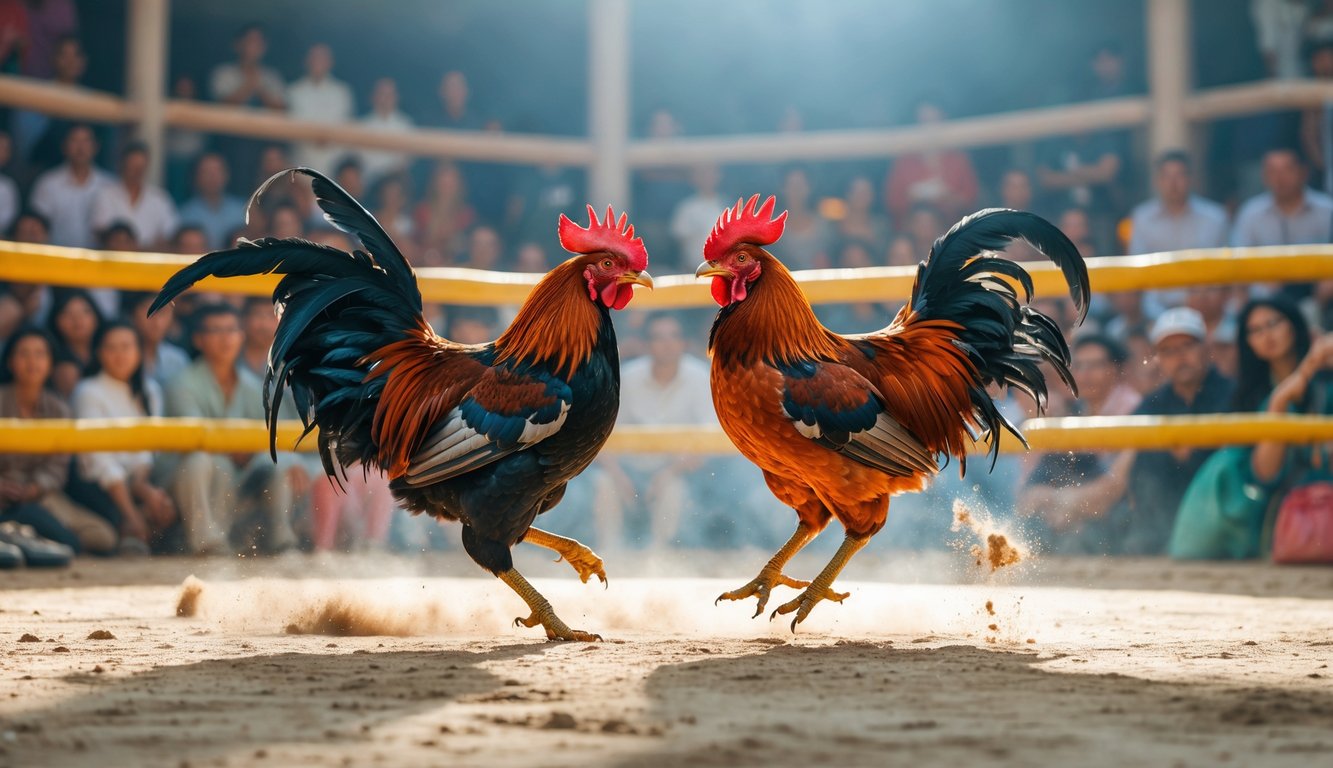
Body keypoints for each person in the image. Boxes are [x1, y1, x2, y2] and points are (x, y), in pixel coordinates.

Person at [1171, 298, 1314, 559]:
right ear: (1248, 342)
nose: (1266, 335)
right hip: (1274, 506)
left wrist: (1313, 367)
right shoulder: (1248, 396)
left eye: (1273, 324)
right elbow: (1265, 475)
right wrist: (1280, 402)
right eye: (1255, 330)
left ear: (1293, 325)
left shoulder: (1324, 380)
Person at [164, 304, 305, 555]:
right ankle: (207, 544)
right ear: (198, 339)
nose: (226, 338)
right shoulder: (182, 383)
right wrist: (239, 447)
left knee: (280, 461)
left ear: (241, 336)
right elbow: (196, 437)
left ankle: (281, 541)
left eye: (231, 330)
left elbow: (269, 433)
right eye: (216, 331)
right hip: (187, 480)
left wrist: (256, 451)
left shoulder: (251, 385)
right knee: (202, 461)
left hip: (238, 473)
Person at [592, 314, 716, 550]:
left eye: (674, 336)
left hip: (677, 471)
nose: (667, 344)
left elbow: (710, 440)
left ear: (684, 343)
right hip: (626, 469)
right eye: (658, 338)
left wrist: (668, 473)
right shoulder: (627, 377)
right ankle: (608, 555)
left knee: (675, 490)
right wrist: (619, 476)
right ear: (647, 345)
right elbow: (599, 435)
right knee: (602, 483)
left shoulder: (700, 377)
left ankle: (660, 556)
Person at [1122, 308, 1235, 555]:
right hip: (1159, 527)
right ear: (1158, 359)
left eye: (1187, 346)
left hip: (1221, 515)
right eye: (1168, 351)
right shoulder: (1152, 404)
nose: (1179, 357)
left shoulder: (1234, 395)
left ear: (1206, 349)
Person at [1017, 335, 1142, 554]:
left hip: (1123, 516)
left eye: (1095, 366)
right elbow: (1032, 489)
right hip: (1075, 511)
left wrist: (1059, 501)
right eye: (1079, 366)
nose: (1085, 374)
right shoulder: (1074, 411)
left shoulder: (1134, 411)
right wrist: (1049, 501)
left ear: (1115, 370)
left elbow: (1114, 488)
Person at [0, 326, 116, 555]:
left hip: (41, 496)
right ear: (10, 362)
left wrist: (35, 488)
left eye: (40, 354)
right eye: (23, 354)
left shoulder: (59, 409)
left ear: (51, 363)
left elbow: (57, 466)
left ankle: (21, 538)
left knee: (103, 537)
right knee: (64, 541)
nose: (32, 361)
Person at [69, 321, 176, 555]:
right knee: (112, 530)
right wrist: (131, 512)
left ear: (139, 351)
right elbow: (99, 461)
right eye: (111, 348)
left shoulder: (150, 390)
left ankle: (138, 530)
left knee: (165, 503)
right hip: (98, 486)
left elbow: (148, 448)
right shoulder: (88, 390)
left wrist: (142, 486)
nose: (120, 355)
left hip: (135, 480)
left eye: (127, 347)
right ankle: (131, 528)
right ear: (98, 353)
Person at [1231, 148, 1333, 301]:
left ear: (1303, 172)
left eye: (1287, 170)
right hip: (1266, 300)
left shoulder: (1327, 210)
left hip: (1320, 299)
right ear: (1264, 176)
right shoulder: (1251, 213)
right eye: (1272, 171)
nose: (1280, 178)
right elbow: (1237, 266)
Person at [885, 99, 979, 226]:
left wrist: (948, 197)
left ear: (943, 121)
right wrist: (913, 196)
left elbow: (971, 200)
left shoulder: (957, 159)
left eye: (933, 121)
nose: (929, 128)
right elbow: (893, 202)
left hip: (953, 234)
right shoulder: (905, 161)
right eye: (924, 122)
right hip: (912, 237)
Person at [30, 123, 112, 249]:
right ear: (64, 146)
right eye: (74, 141)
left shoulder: (108, 185)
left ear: (96, 147)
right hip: (55, 259)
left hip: (97, 263)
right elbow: (36, 229)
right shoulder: (48, 183)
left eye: (86, 141)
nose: (81, 147)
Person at [90, 142, 178, 251]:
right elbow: (100, 233)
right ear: (122, 165)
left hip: (148, 265)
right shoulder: (105, 195)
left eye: (140, 167)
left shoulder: (160, 198)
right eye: (132, 166)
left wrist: (136, 248)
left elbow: (170, 237)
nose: (137, 172)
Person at [286, 43, 354, 173]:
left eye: (322, 58)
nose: (318, 62)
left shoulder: (342, 92)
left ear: (330, 62)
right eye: (314, 58)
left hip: (335, 166)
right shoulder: (293, 91)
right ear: (306, 61)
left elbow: (347, 128)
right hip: (301, 164)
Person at [122, 291, 189, 391]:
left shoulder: (177, 359)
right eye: (149, 312)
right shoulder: (121, 356)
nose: (157, 322)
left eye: (164, 313)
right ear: (133, 316)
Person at [177, 152, 246, 250]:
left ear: (227, 175)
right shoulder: (185, 214)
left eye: (217, 171)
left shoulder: (242, 210)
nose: (212, 177)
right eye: (206, 172)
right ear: (196, 177)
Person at [210, 24, 284, 110]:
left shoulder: (272, 76)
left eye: (259, 42)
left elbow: (281, 109)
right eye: (250, 40)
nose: (254, 46)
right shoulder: (223, 73)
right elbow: (221, 105)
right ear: (237, 44)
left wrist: (261, 90)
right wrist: (249, 85)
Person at [45, 288, 101, 401]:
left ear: (96, 316)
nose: (77, 320)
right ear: (56, 320)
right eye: (67, 313)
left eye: (85, 311)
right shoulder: (62, 368)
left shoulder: (107, 352)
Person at [357, 77, 414, 187]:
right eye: (382, 93)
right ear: (373, 96)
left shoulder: (406, 125)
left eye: (390, 94)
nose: (386, 98)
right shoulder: (361, 126)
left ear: (397, 97)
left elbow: (405, 162)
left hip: (395, 186)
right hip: (367, 185)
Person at [669, 164, 726, 270]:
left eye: (711, 173)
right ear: (695, 178)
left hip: (722, 270)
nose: (707, 178)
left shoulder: (726, 204)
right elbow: (680, 241)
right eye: (703, 174)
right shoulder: (687, 208)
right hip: (694, 270)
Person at [836, 176, 891, 253]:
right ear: (847, 194)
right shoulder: (835, 227)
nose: (861, 196)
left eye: (866, 192)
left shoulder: (881, 226)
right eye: (857, 192)